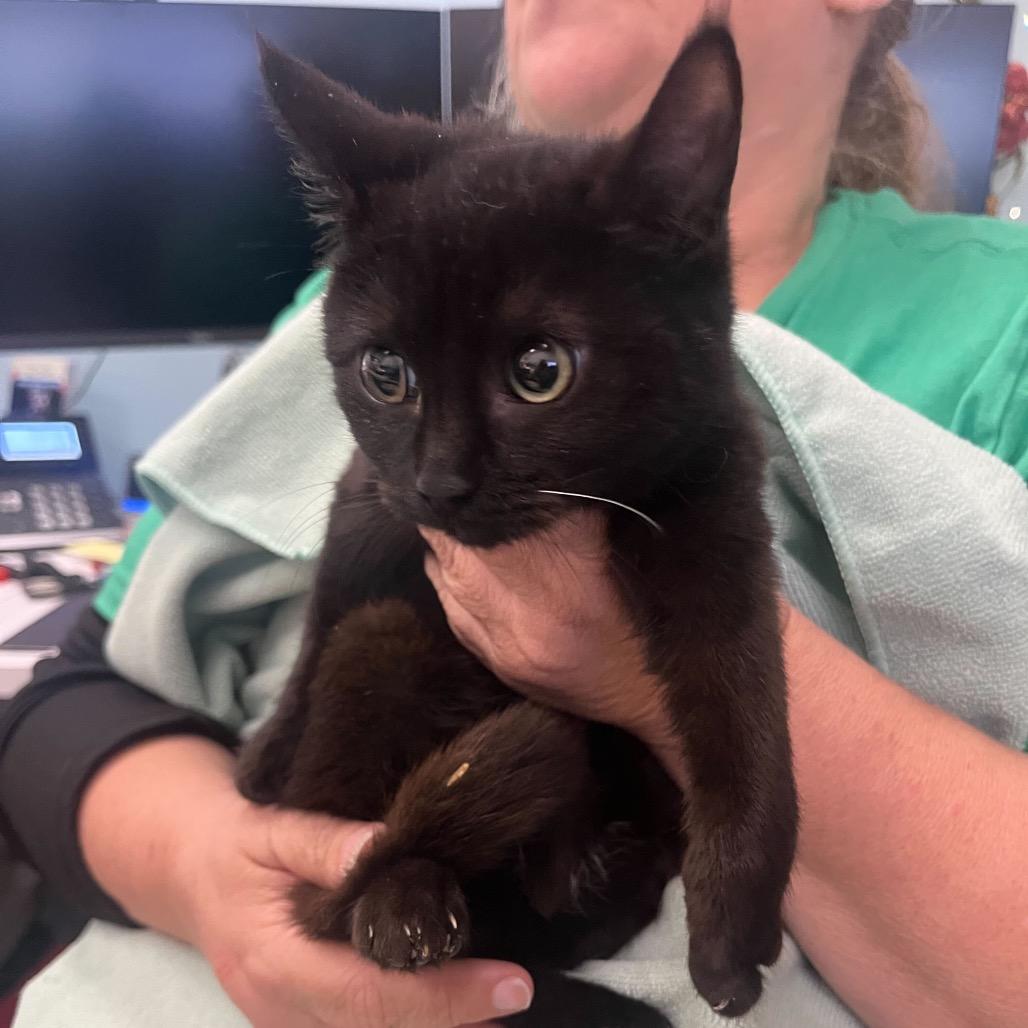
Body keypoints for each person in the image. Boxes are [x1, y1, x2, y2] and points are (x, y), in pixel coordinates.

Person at [0, 2, 1025, 1027]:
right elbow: (65, 704)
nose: (437, 476)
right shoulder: (386, 265)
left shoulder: (996, 325)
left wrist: (630, 665)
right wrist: (211, 883)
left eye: (537, 370)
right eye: (390, 376)